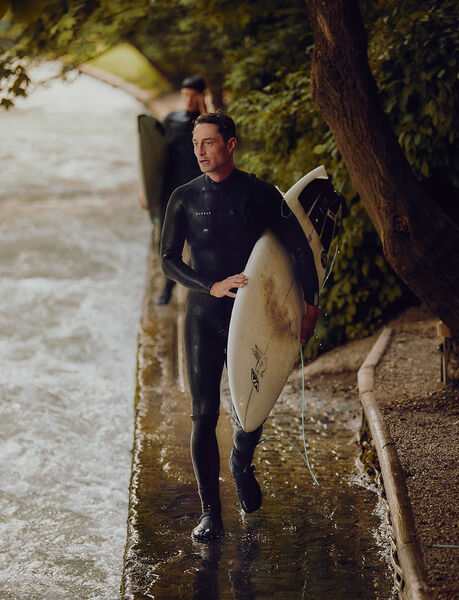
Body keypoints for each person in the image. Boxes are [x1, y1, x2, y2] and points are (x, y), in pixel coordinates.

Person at [160, 111, 320, 541]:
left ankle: (241, 462)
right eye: (196, 143)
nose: (199, 151)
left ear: (230, 145)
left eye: (208, 143)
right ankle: (211, 511)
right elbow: (168, 261)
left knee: (251, 405)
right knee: (203, 414)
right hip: (203, 317)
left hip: (252, 316)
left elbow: (298, 248)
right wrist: (209, 285)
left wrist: (310, 303)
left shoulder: (260, 194)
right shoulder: (184, 198)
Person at [139, 75, 208, 304]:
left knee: (198, 242)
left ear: (201, 96)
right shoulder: (171, 120)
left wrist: (204, 112)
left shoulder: (208, 126)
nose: (188, 100)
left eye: (193, 95)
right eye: (185, 95)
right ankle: (167, 286)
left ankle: (201, 290)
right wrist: (146, 190)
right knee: (166, 243)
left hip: (197, 194)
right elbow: (154, 159)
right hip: (169, 192)